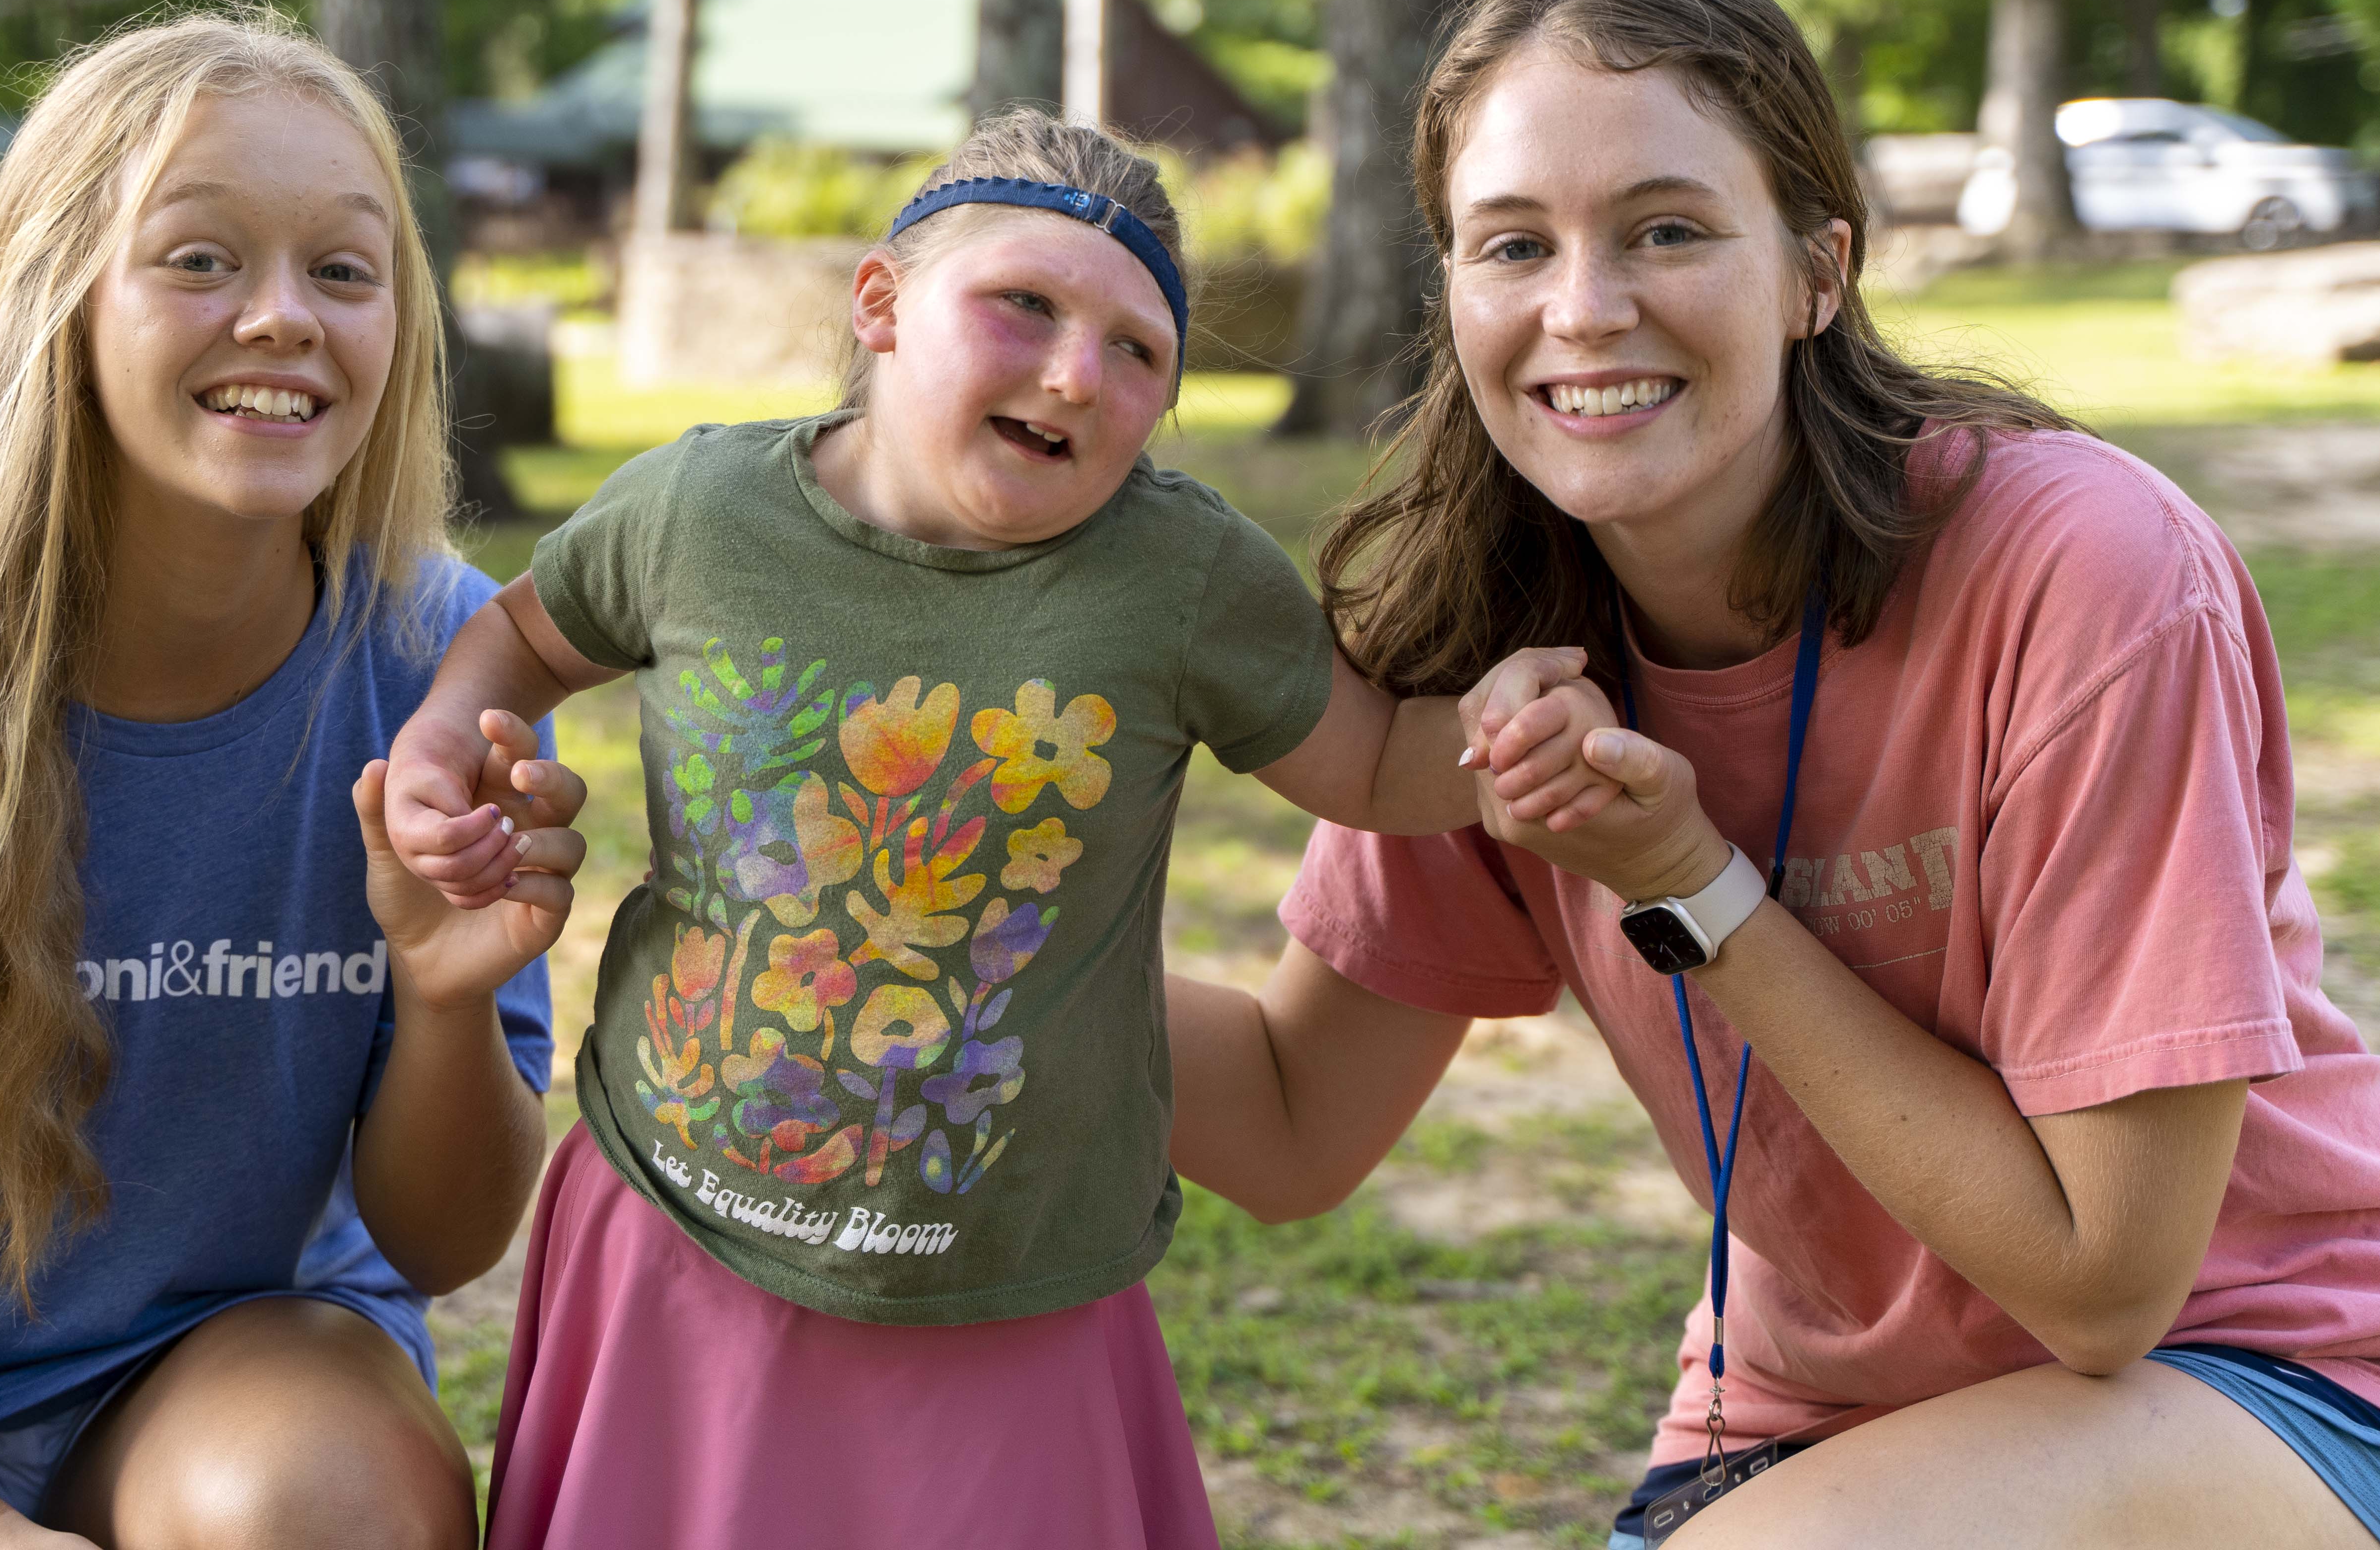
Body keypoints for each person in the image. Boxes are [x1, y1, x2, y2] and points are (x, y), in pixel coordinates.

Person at [1167, 0, 2380, 1550]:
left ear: (1817, 272)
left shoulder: (2086, 576)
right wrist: (922, 942)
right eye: (1512, 246)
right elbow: (1291, 1121)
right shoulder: (1495, 642)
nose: (1582, 309)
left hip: (2281, 1382)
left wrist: (1690, 885)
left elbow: (2104, 1284)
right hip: (1818, 1434)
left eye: (1669, 230)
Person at [378, 110, 1612, 1549]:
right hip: (682, 1237)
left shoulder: (1182, 574)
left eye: (1138, 351)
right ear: (882, 306)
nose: (1074, 373)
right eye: (1022, 305)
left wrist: (1504, 731)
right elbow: (527, 632)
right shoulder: (695, 511)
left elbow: (1373, 765)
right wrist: (446, 738)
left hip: (1011, 1283)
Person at [0, 9, 588, 1550]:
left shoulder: (433, 658)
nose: (283, 316)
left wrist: (444, 990)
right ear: (50, 298)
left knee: (332, 1492)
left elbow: (442, 1238)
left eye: (343, 269)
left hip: (220, 1363)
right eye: (199, 259)